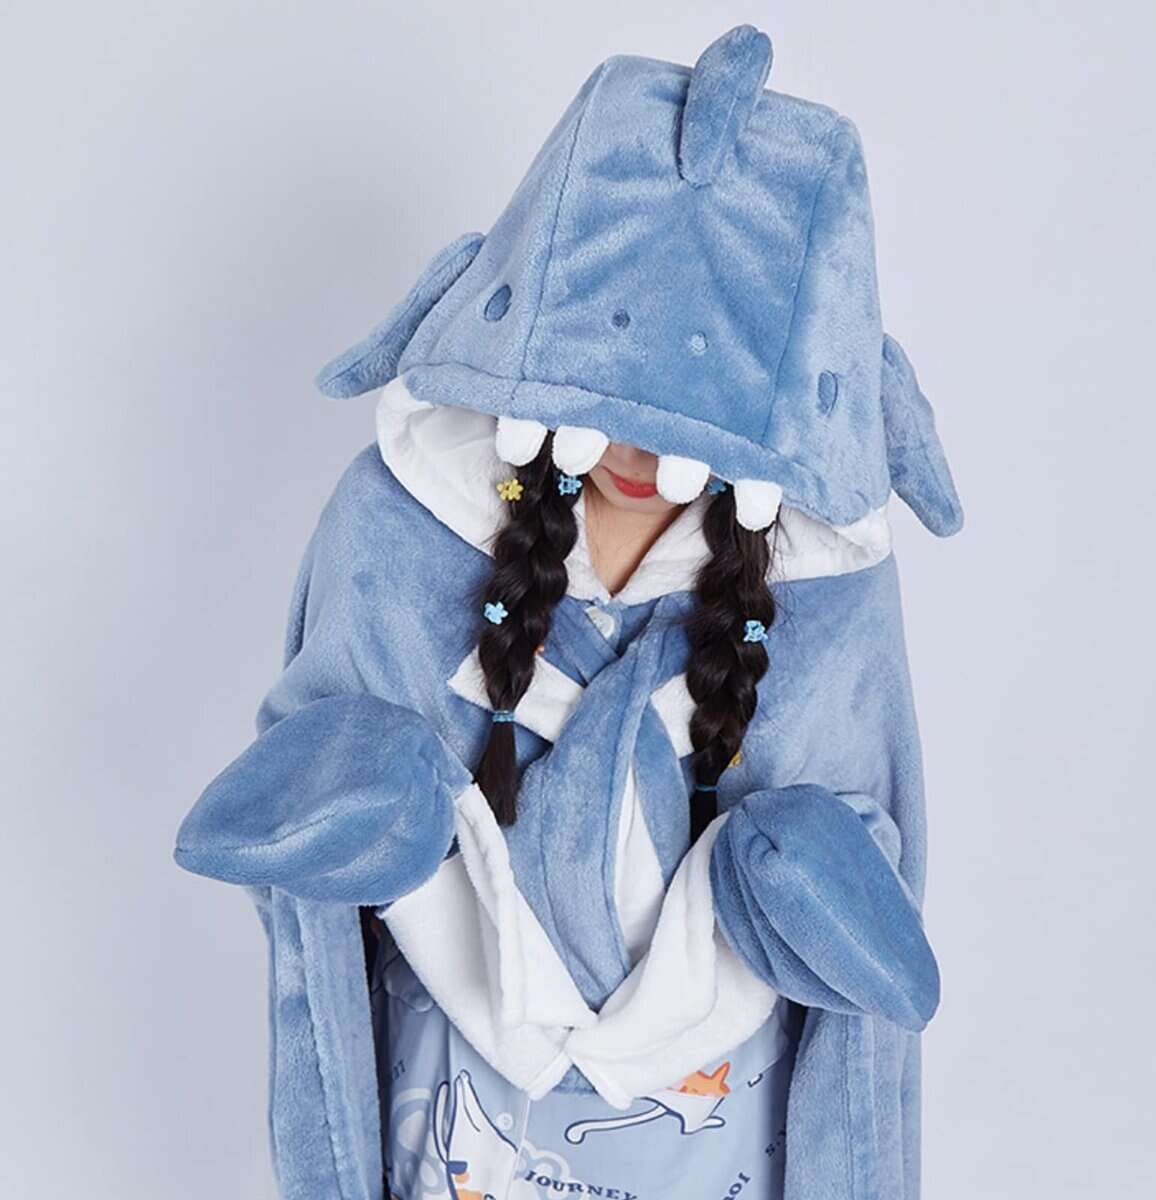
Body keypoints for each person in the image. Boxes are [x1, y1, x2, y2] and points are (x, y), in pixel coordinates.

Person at [176, 24, 963, 1200]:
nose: (639, 457)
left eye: (689, 424)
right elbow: (318, 853)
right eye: (610, 404)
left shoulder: (822, 600)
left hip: (712, 1135)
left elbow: (859, 916)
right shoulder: (403, 535)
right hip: (461, 1105)